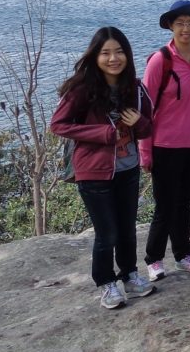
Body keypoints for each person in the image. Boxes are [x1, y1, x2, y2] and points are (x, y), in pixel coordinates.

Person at [51, 27, 155, 310]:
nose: (113, 58)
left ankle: (130, 275)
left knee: (127, 229)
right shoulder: (82, 89)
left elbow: (148, 127)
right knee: (106, 232)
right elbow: (58, 125)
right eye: (106, 52)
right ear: (95, 56)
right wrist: (104, 133)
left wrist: (138, 124)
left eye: (119, 52)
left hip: (127, 167)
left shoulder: (134, 87)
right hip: (94, 171)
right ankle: (106, 283)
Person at [140, 0, 190, 280]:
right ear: (171, 26)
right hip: (164, 145)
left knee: (184, 202)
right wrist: (145, 152)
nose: (186, 28)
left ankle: (184, 255)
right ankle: (153, 259)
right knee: (165, 204)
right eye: (180, 23)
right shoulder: (161, 60)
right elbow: (144, 110)